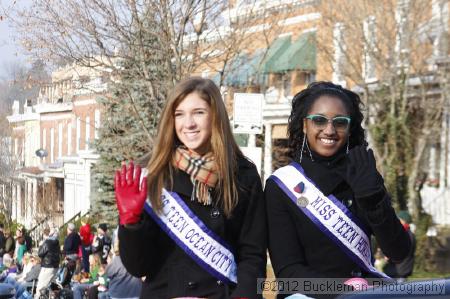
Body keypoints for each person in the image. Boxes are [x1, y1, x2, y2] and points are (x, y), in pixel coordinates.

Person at [115, 77, 267, 298]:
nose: (189, 123)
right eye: (179, 114)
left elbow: (253, 255)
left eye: (198, 112)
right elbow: (139, 267)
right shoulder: (154, 174)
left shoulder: (242, 175)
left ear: (215, 116)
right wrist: (131, 223)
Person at [265, 82, 411, 298]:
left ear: (350, 128)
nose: (330, 130)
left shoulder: (364, 175)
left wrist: (373, 199)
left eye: (340, 122)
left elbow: (399, 252)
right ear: (304, 125)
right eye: (319, 120)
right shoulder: (281, 185)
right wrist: (347, 289)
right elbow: (289, 273)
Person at [383, 210, 416, 281]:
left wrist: (390, 255)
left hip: (400, 270)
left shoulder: (407, 234)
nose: (397, 221)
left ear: (404, 221)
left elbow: (403, 251)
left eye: (399, 219)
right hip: (395, 270)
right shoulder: (401, 232)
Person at [35, 227, 61, 298]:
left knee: (40, 288)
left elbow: (40, 253)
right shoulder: (56, 241)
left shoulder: (47, 242)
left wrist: (41, 245)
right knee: (49, 288)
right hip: (55, 266)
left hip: (47, 266)